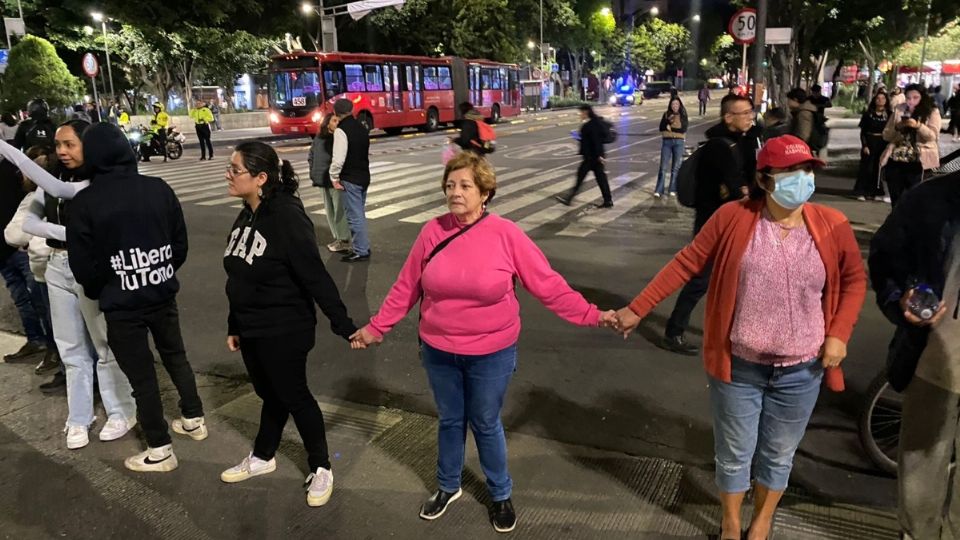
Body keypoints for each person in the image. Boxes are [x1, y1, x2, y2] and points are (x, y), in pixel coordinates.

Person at [614, 135, 866, 540]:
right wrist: (637, 308)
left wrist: (838, 335)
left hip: (802, 370)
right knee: (734, 455)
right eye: (788, 173)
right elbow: (687, 263)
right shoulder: (733, 217)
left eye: (806, 171)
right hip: (740, 368)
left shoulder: (831, 224)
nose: (800, 180)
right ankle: (731, 523)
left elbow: (854, 280)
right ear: (765, 180)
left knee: (779, 454)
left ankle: (762, 521)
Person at [350, 151, 617, 533]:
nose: (454, 192)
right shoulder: (431, 232)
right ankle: (448, 486)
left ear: (485, 192)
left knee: (486, 422)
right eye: (449, 186)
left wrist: (593, 314)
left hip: (491, 352)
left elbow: (548, 284)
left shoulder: (506, 235)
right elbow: (406, 287)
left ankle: (500, 493)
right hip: (439, 350)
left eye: (464, 186)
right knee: (450, 419)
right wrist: (377, 327)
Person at [220, 141, 357, 506]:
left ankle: (322, 466)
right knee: (270, 394)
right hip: (251, 327)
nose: (228, 175)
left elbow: (314, 275)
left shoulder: (285, 215)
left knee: (294, 394)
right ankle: (264, 456)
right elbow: (239, 276)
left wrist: (342, 324)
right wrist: (235, 323)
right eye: (230, 168)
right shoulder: (247, 212)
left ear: (261, 177)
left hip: (284, 326)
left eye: (236, 170)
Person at [64, 122, 205, 472]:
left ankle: (160, 448)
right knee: (176, 357)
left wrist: (108, 287)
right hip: (161, 293)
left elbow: (84, 269)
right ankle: (194, 418)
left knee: (142, 378)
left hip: (122, 305)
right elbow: (179, 245)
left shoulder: (84, 204)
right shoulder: (158, 189)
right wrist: (158, 271)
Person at [8, 121, 138, 447]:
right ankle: (79, 417)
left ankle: (122, 410)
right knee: (70, 349)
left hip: (91, 268)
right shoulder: (54, 182)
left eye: (69, 144)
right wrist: (70, 234)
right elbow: (30, 223)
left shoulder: (99, 182)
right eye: (58, 145)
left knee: (104, 344)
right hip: (56, 267)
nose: (61, 152)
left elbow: (51, 196)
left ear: (89, 146)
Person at [868, 169, 960, 540]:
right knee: (920, 471)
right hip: (935, 361)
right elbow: (886, 259)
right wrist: (901, 295)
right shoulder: (931, 199)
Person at [659, 94, 762, 355]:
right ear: (729, 118)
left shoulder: (746, 141)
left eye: (752, 111)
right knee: (700, 279)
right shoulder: (720, 146)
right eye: (745, 113)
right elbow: (739, 186)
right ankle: (674, 331)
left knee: (741, 278)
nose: (750, 116)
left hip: (737, 221)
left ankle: (736, 332)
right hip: (712, 224)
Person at [3, 145, 59, 376]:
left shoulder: (38, 192)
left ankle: (56, 354)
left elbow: (18, 232)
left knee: (48, 311)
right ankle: (40, 342)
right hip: (14, 254)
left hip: (33, 257)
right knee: (26, 301)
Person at [881, 83, 941, 207]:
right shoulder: (900, 109)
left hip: (919, 161)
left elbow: (933, 137)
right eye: (908, 98)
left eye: (915, 97)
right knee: (896, 199)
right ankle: (896, 224)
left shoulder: (932, 111)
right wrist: (898, 127)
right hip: (897, 159)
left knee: (915, 199)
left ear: (922, 97)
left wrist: (918, 126)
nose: (911, 101)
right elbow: (886, 135)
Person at [329, 98, 372, 262]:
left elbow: (338, 158)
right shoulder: (362, 127)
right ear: (352, 110)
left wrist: (334, 177)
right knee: (359, 213)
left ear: (335, 113)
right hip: (363, 176)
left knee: (354, 216)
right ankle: (362, 247)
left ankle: (361, 250)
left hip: (350, 178)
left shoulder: (341, 130)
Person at [555, 104, 613, 208]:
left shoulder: (590, 125)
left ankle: (569, 199)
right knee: (601, 179)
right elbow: (591, 140)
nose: (580, 115)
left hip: (592, 157)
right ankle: (608, 200)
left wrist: (599, 156)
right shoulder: (594, 123)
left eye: (581, 112)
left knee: (581, 178)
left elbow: (596, 141)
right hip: (594, 157)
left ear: (586, 112)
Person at [308, 113, 351, 253]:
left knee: (339, 210)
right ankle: (337, 237)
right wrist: (313, 171)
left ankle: (343, 238)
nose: (337, 123)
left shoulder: (338, 138)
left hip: (335, 179)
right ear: (327, 123)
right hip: (322, 179)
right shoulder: (318, 139)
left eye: (338, 120)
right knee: (330, 210)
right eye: (334, 121)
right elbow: (311, 156)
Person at [853, 91, 892, 202]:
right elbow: (863, 132)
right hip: (870, 142)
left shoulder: (889, 114)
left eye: (883, 98)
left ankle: (876, 192)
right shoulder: (868, 114)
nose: (880, 101)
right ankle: (861, 191)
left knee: (879, 168)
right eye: (878, 98)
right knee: (866, 168)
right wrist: (864, 145)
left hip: (883, 142)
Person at [654, 96, 688, 198]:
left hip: (679, 142)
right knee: (663, 167)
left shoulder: (683, 115)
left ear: (680, 105)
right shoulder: (666, 114)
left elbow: (683, 129)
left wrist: (671, 128)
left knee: (675, 167)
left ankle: (672, 189)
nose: (675, 106)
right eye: (673, 104)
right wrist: (667, 124)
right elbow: (661, 127)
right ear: (670, 105)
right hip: (667, 142)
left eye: (677, 104)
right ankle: (659, 190)